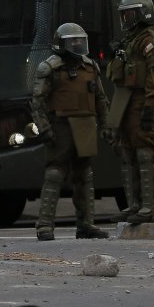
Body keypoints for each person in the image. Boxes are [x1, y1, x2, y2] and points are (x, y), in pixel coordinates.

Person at [31, 22, 110, 241]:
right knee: (55, 173)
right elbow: (37, 101)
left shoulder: (90, 67)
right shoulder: (50, 68)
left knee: (84, 175)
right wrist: (44, 128)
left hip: (85, 125)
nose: (76, 45)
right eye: (72, 41)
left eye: (79, 40)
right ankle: (45, 225)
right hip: (60, 126)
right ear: (61, 44)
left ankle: (86, 224)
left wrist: (106, 126)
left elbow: (101, 100)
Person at [105, 0, 154, 224]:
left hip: (142, 103)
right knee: (128, 153)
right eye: (124, 14)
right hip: (126, 104)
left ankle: (149, 207)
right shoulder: (130, 40)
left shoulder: (151, 39)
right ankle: (135, 205)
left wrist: (150, 108)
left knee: (145, 154)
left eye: (130, 14)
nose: (126, 19)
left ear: (142, 13)